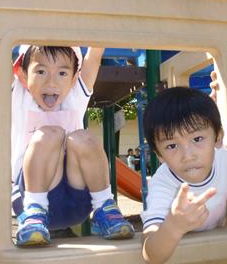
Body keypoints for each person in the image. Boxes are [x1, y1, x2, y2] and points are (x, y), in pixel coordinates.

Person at [10, 45, 134, 247]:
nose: (51, 82)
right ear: (23, 75)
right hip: (29, 196)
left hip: (78, 201)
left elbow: (95, 53)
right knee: (50, 134)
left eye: (62, 73)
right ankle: (35, 213)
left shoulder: (75, 96)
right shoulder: (18, 96)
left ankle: (104, 207)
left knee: (83, 138)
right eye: (41, 71)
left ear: (74, 78)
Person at [140, 86, 227, 264]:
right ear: (159, 155)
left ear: (218, 137)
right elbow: (151, 255)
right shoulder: (163, 184)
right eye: (172, 146)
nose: (188, 156)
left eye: (197, 139)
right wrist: (174, 225)